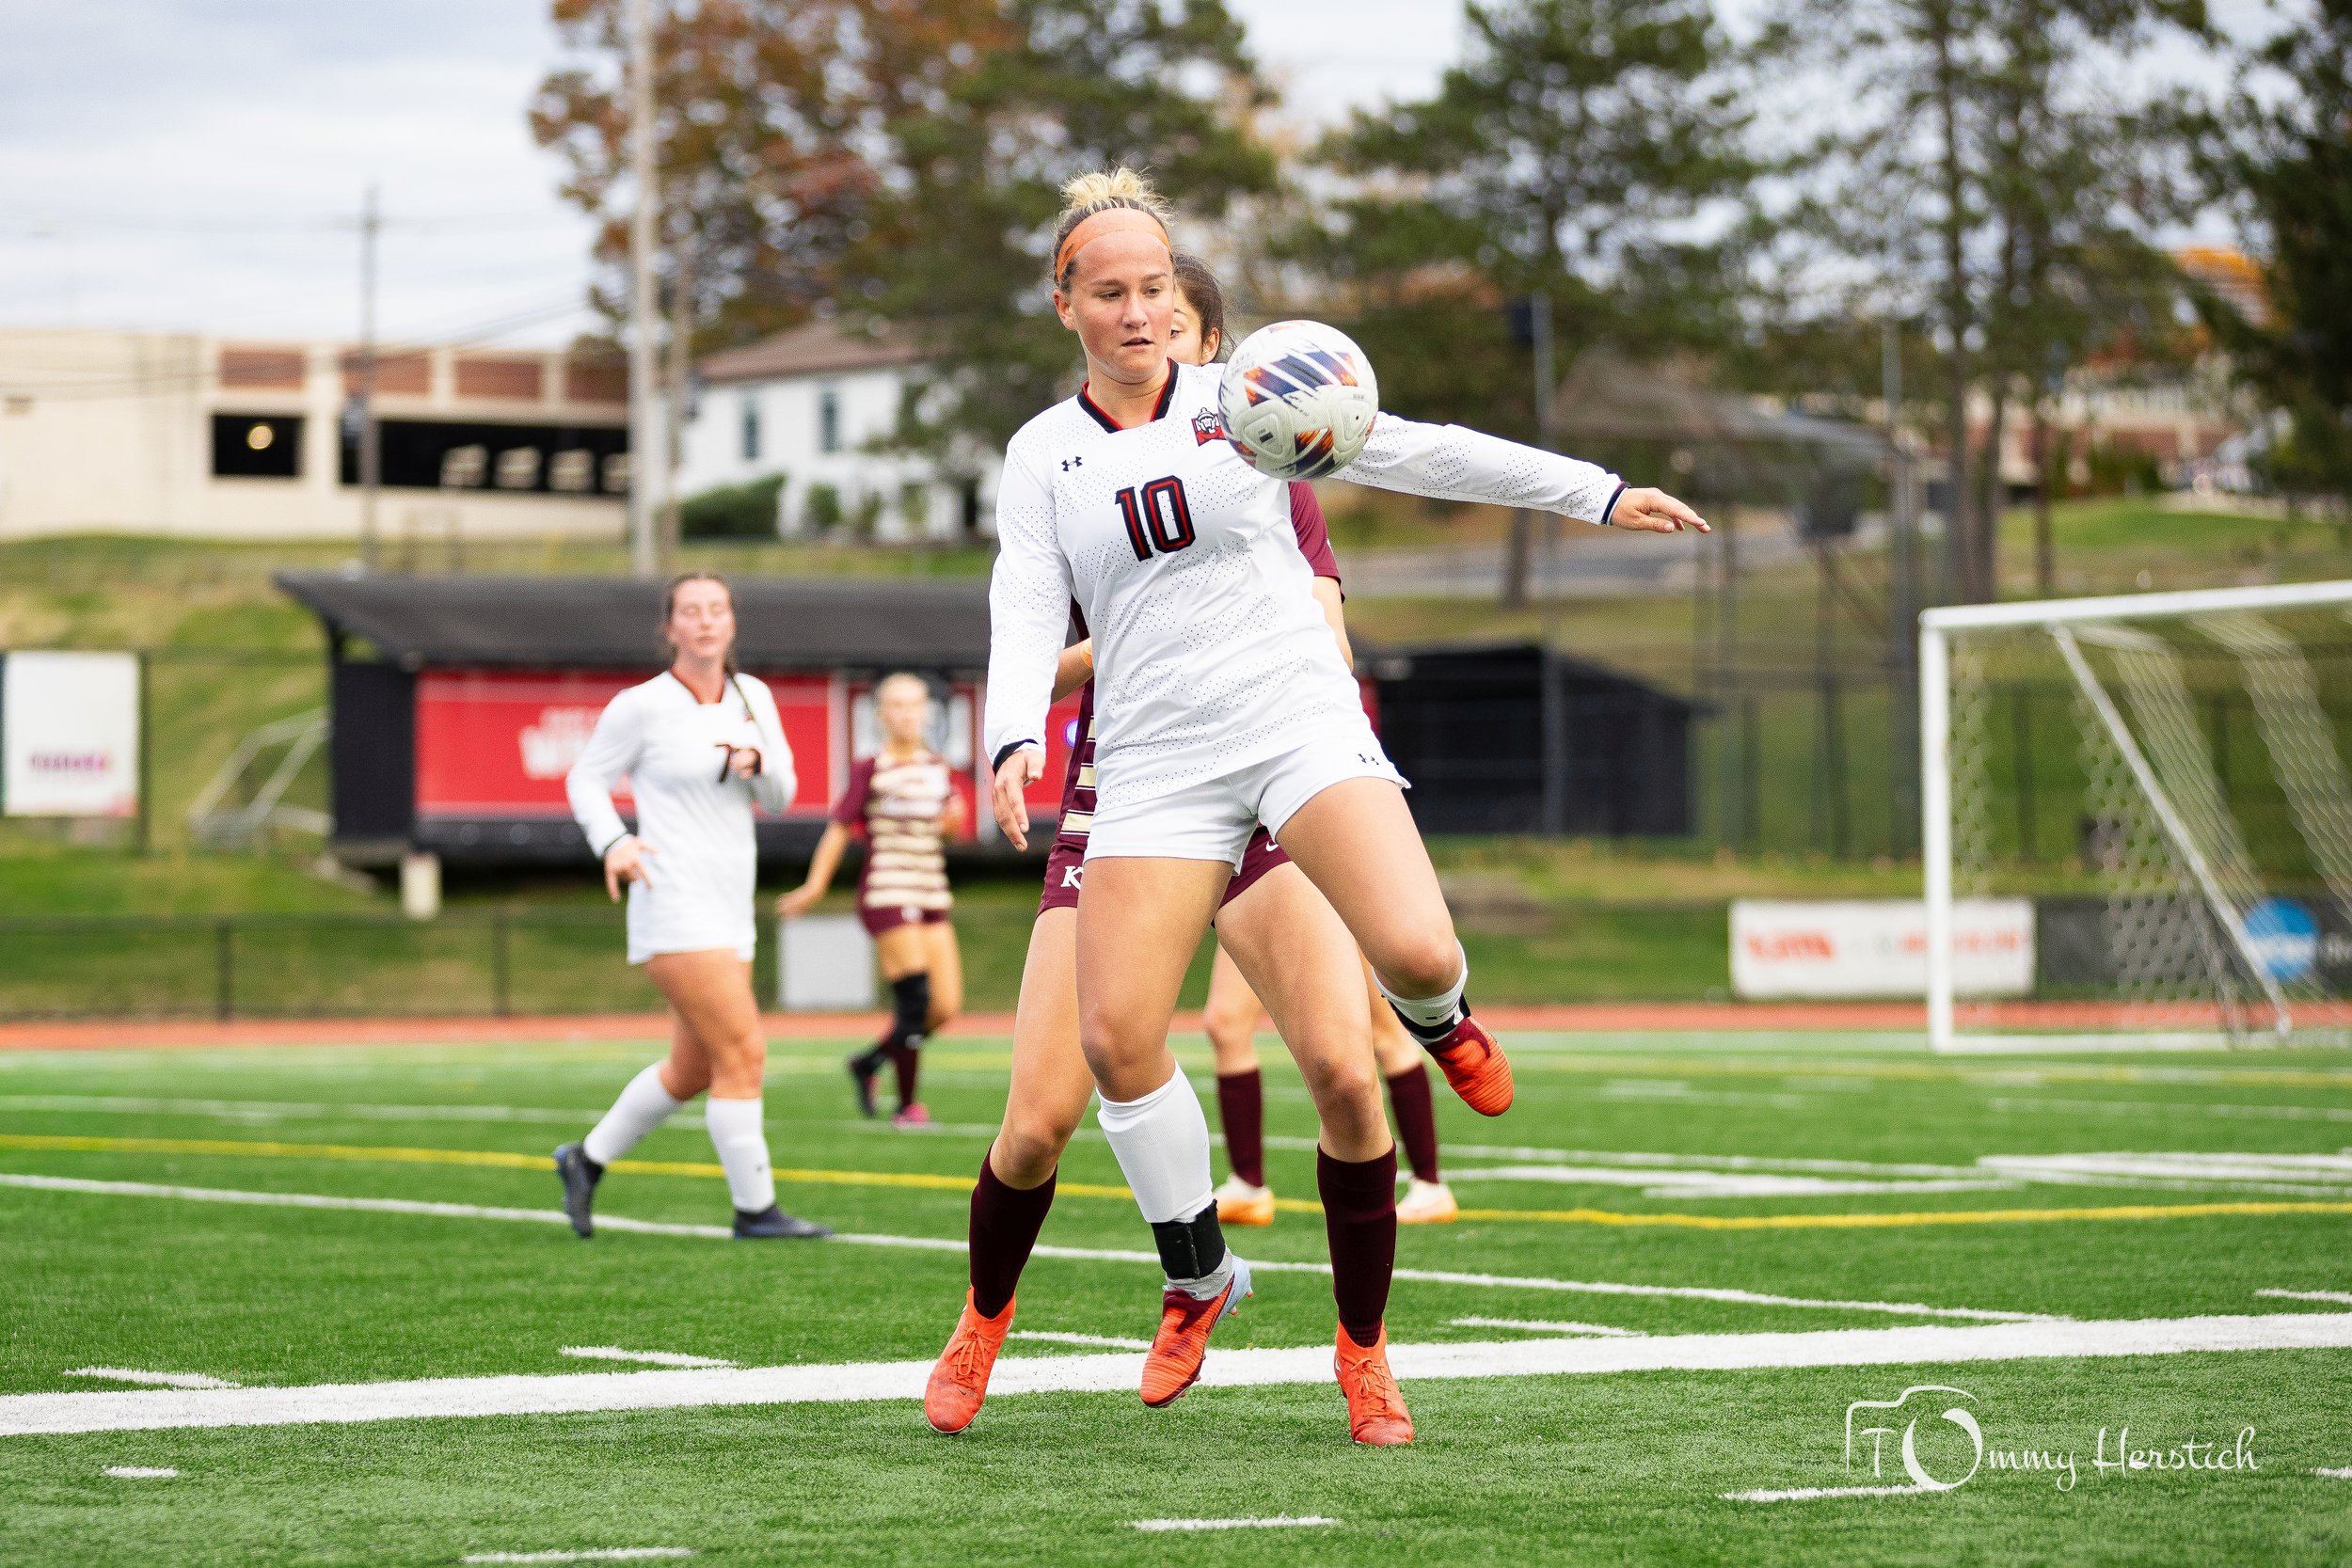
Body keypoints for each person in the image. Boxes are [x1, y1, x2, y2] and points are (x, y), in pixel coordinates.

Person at [976, 169, 1706, 1434]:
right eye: (1112, 291)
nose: (1140, 309)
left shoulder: (1248, 392)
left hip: (1294, 726)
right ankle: (1197, 1273)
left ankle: (1442, 1043)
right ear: (1067, 304)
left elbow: (1416, 445)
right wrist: (1008, 736)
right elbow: (1028, 603)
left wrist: (1591, 489)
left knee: (1413, 959)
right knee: (1112, 1043)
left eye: (1156, 286)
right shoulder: (1045, 452)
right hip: (1154, 765)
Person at [1165, 256, 1455, 1232]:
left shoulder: (1273, 471)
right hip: (1204, 794)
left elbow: (1328, 628)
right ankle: (1248, 1180)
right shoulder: (1096, 472)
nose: (1148, 340)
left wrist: (1595, 491)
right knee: (1227, 1022)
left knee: (1368, 1026)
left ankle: (1428, 1176)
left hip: (1294, 776)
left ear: (1214, 351)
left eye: (1174, 327)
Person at [553, 572, 832, 1241]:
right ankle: (755, 1209)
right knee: (744, 1051)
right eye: (690, 611)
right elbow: (584, 779)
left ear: (732, 621)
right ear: (670, 627)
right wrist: (614, 842)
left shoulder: (753, 696)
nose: (705, 621)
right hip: (671, 899)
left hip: (730, 904)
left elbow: (782, 796)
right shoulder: (640, 705)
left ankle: (584, 1160)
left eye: (717, 609)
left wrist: (759, 760)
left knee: (693, 1067)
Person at [778, 673, 965, 1126]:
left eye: (915, 705)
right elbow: (839, 829)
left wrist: (952, 821)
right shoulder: (871, 768)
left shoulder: (937, 768)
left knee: (945, 1007)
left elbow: (951, 828)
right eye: (897, 705)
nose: (907, 714)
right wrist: (815, 885)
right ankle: (907, 1106)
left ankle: (868, 1062)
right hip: (887, 891)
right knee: (916, 1000)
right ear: (881, 715)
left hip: (931, 890)